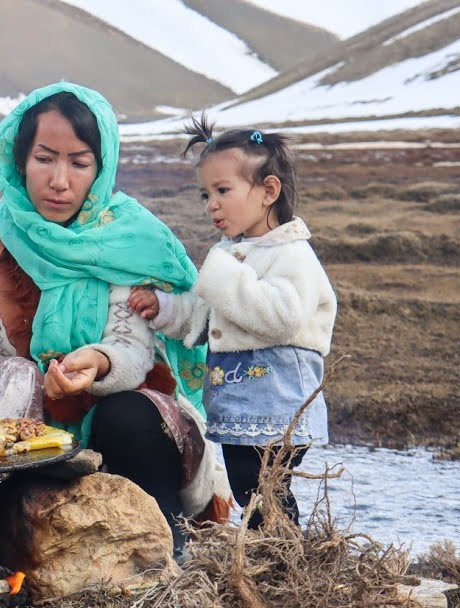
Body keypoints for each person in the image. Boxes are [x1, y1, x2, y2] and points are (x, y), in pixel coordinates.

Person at [0, 81, 229, 556]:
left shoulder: (129, 241)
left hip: (132, 439)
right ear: (19, 161)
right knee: (15, 376)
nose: (60, 180)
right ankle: (26, 538)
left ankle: (162, 550)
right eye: (44, 158)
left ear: (101, 169)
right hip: (29, 435)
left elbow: (133, 347)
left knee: (126, 413)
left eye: (79, 163)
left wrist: (97, 364)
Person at [129, 118, 335, 530]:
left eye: (223, 190)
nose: (212, 204)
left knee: (265, 489)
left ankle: (278, 555)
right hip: (241, 398)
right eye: (206, 194)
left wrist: (224, 276)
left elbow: (282, 317)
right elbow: (209, 315)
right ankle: (270, 551)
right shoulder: (236, 252)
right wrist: (166, 308)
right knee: (250, 488)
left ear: (268, 191)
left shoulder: (292, 254)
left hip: (279, 402)